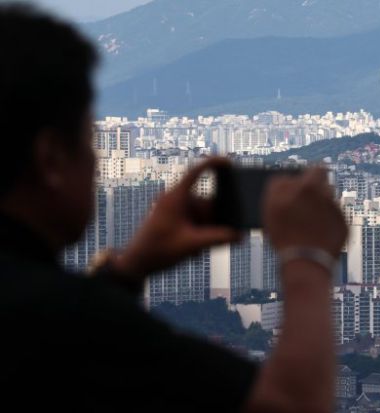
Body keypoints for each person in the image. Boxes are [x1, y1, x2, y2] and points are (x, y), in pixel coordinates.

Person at [0, 5, 347, 412]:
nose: (95, 163)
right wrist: (308, 257)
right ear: (51, 159)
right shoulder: (66, 320)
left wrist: (129, 271)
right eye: (88, 140)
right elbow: (291, 404)